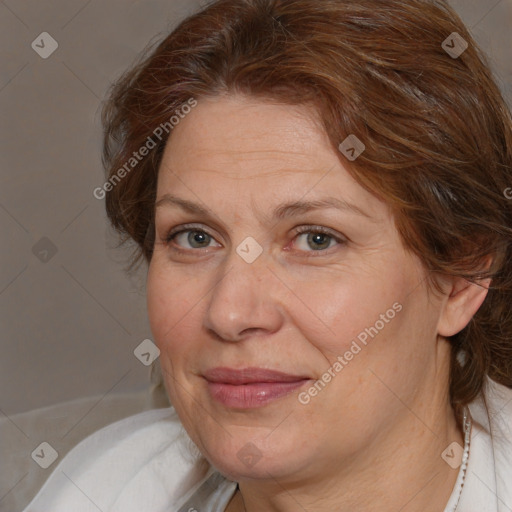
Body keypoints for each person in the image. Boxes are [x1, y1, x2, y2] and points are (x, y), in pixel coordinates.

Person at [24, 0, 512, 510]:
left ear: (461, 277)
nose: (229, 313)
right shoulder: (101, 488)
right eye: (195, 237)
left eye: (316, 239)